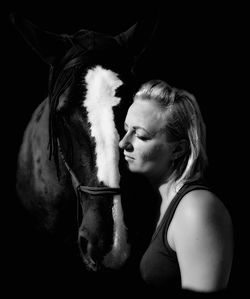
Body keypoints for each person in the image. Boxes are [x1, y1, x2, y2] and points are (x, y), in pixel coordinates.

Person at [119, 80, 234, 295]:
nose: (123, 143)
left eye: (141, 135)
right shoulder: (164, 202)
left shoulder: (196, 209)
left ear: (178, 150)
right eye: (126, 130)